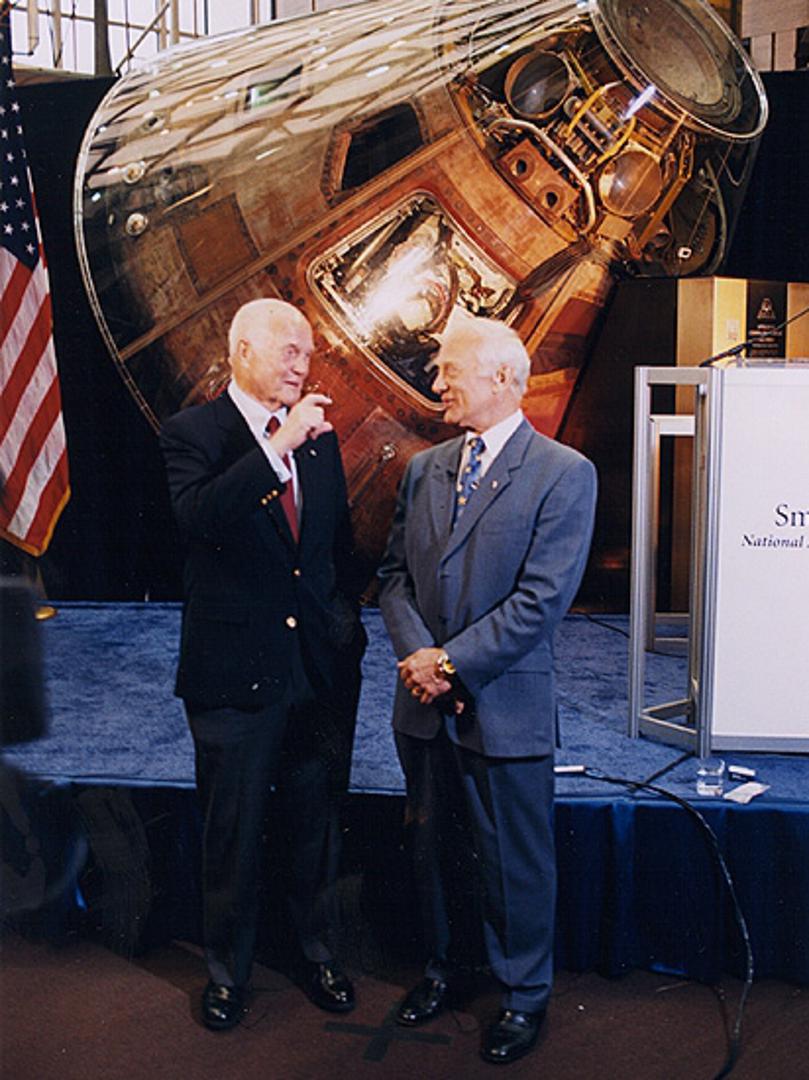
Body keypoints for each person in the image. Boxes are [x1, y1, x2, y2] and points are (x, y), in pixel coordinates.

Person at [377, 312, 597, 1065]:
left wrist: (448, 665)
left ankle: (523, 996)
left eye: (449, 370)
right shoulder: (423, 470)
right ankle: (444, 970)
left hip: (503, 708)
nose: (436, 382)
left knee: (514, 864)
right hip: (422, 707)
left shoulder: (564, 473)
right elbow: (393, 579)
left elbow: (541, 601)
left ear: (502, 378)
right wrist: (418, 658)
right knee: (433, 850)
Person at [160, 298, 365, 1030]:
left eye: (307, 353)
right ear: (242, 350)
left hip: (317, 669)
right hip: (233, 671)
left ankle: (318, 954)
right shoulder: (193, 433)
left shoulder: (318, 439)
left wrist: (342, 629)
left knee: (315, 824)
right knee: (234, 832)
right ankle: (227, 974)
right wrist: (277, 448)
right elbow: (199, 517)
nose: (302, 366)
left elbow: (333, 547)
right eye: (288, 351)